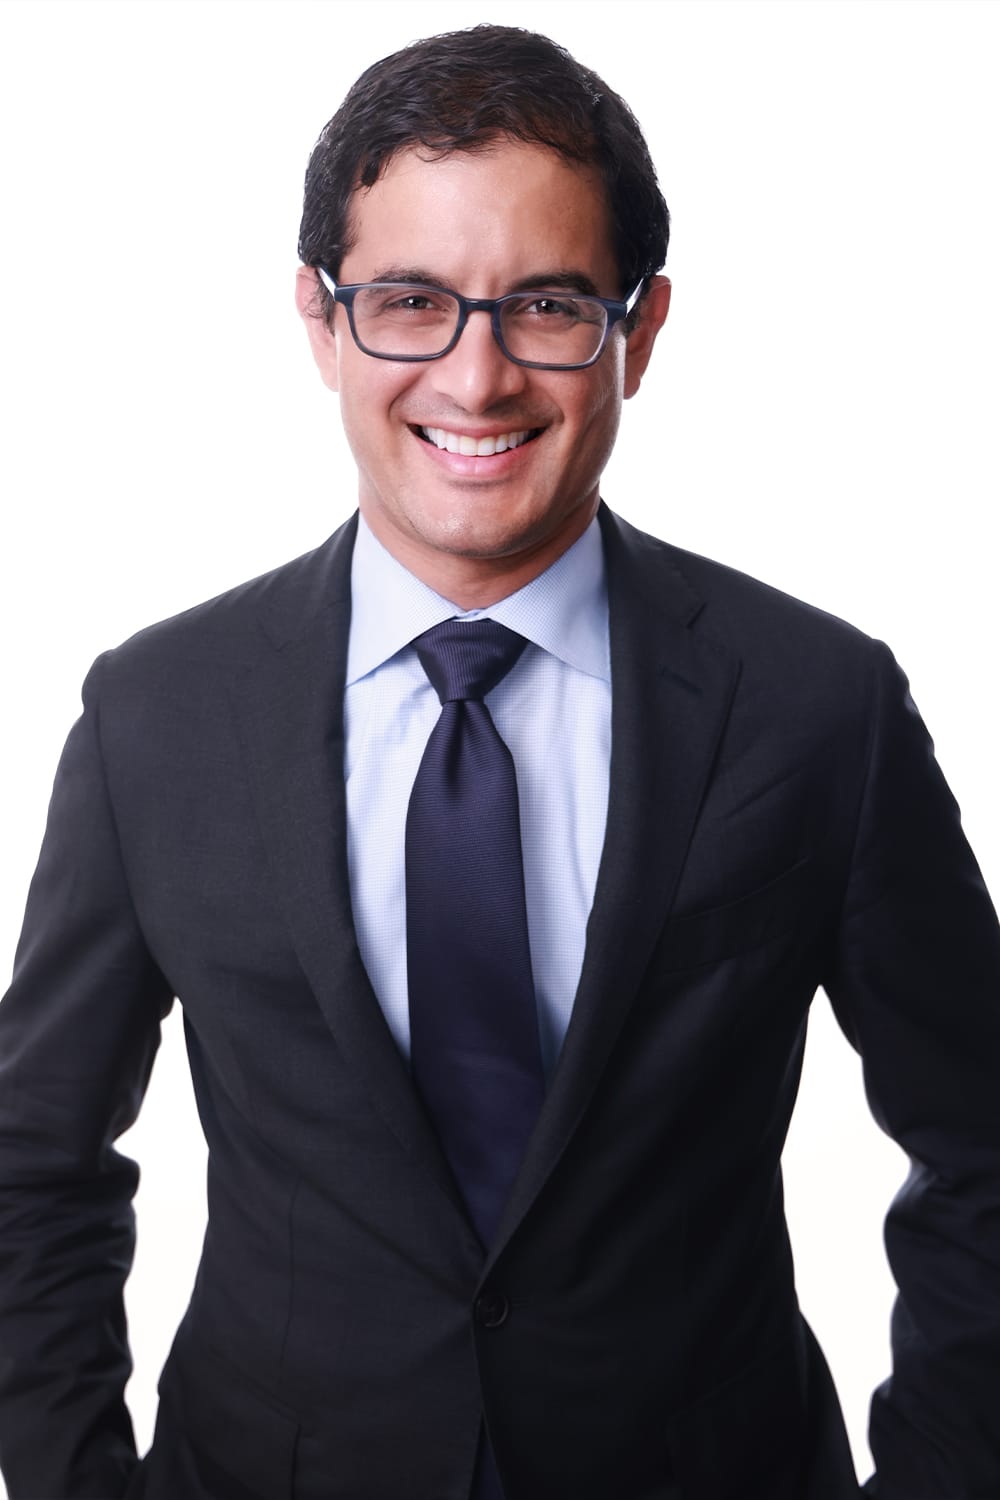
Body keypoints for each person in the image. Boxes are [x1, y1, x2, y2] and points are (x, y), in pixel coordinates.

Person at [1, 20, 998, 1500]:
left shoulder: (817, 707)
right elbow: (33, 1164)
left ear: (638, 331)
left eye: (544, 305)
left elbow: (985, 1146)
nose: (476, 380)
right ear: (321, 322)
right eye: (408, 300)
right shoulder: (160, 713)